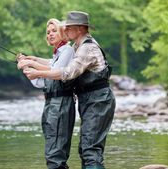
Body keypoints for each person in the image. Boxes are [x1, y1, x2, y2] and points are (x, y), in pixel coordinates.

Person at [18, 11, 116, 169]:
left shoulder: (87, 48)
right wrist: (33, 60)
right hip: (89, 100)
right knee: (86, 148)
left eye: (69, 28)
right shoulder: (78, 46)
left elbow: (67, 72)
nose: (66, 30)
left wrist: (37, 72)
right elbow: (55, 63)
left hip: (98, 100)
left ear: (79, 29)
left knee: (90, 149)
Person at [17, 18, 76, 169]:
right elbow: (40, 81)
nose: (50, 34)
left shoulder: (68, 51)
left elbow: (56, 70)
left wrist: (31, 64)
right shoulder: (57, 55)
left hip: (61, 103)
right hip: (50, 104)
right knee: (51, 148)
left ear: (63, 33)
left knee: (56, 152)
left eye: (54, 31)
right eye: (48, 32)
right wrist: (27, 68)